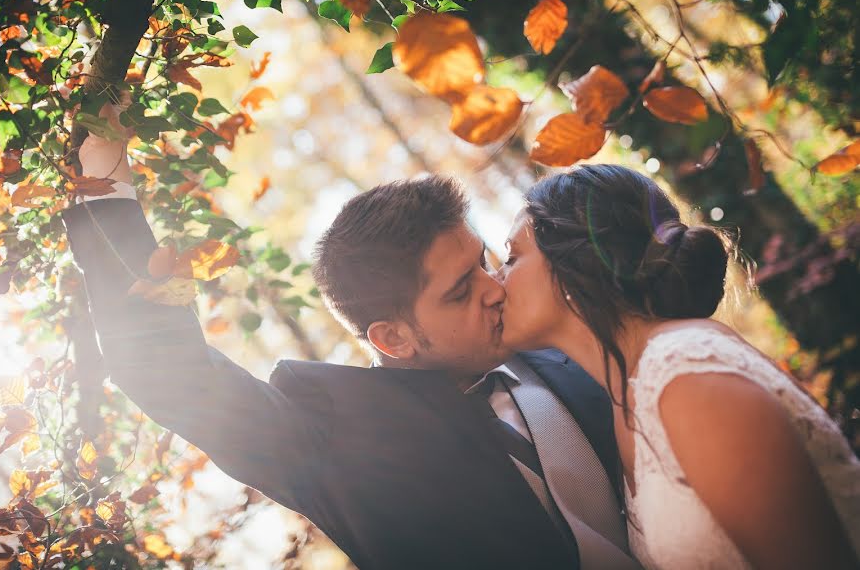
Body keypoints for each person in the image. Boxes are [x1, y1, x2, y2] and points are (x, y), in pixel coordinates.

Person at [62, 105, 641, 569]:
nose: (494, 289)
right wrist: (103, 188)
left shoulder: (561, 338)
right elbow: (165, 372)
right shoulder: (331, 440)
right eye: (460, 291)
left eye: (485, 263)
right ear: (393, 339)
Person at [497, 163, 860, 569]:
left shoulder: (689, 377)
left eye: (512, 258)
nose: (496, 281)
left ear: (569, 266)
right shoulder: (626, 396)